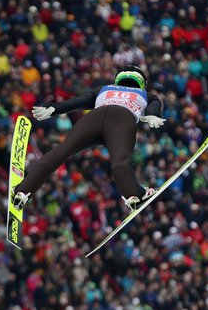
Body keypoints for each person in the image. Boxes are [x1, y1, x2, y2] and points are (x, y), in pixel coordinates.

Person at [12, 65, 165, 211]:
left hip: (93, 119)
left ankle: (23, 191)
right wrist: (153, 115)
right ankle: (134, 194)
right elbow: (154, 104)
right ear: (142, 83)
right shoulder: (147, 94)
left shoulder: (104, 89)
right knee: (120, 161)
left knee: (62, 151)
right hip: (122, 120)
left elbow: (78, 102)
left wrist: (53, 109)